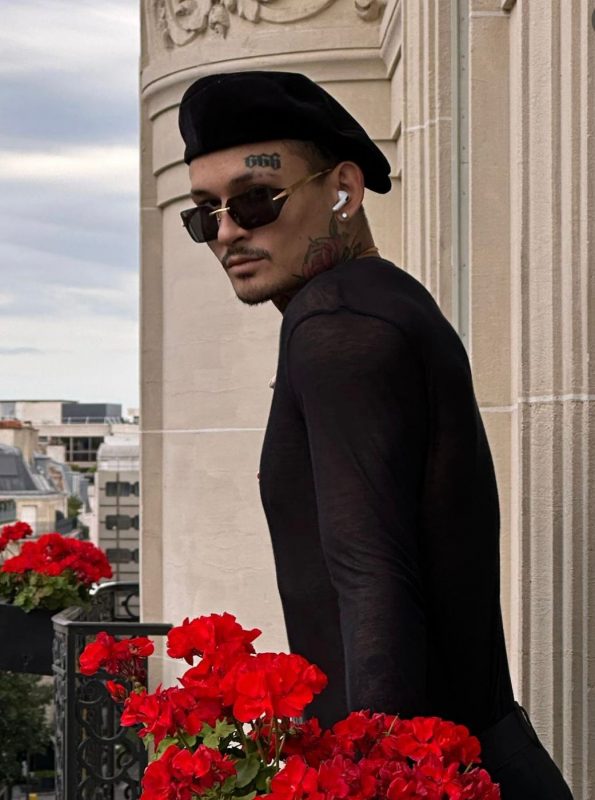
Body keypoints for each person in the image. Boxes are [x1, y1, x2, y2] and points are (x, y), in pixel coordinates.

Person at [177, 70, 573, 799]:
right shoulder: (377, 300)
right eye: (206, 213)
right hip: (465, 762)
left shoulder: (336, 322)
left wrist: (374, 777)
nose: (227, 231)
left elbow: (371, 576)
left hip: (427, 775)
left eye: (256, 199)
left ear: (343, 190)